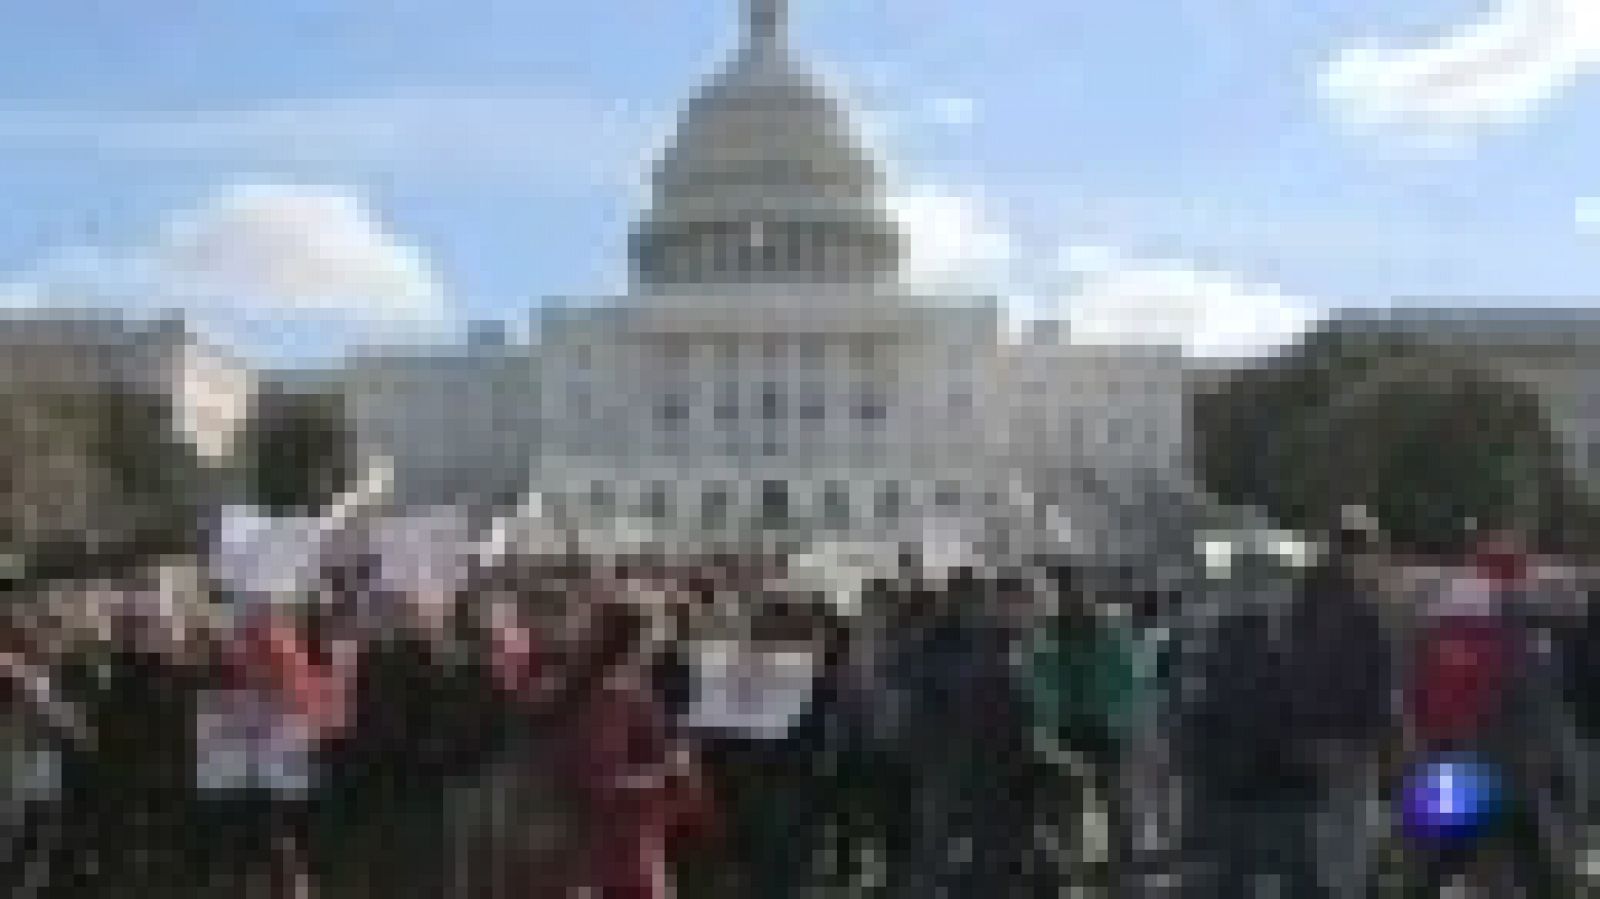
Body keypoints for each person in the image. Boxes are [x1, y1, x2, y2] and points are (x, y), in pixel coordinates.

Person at [1283, 518, 1394, 899]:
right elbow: (1377, 678)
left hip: (1308, 736)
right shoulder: (1362, 609)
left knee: (1322, 827)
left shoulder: (1302, 604)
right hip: (1351, 737)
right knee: (1351, 831)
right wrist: (1384, 732)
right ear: (1357, 552)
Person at [1180, 600, 1322, 898]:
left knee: (1227, 875)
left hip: (1223, 794)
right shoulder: (1282, 671)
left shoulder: (1207, 674)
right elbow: (1298, 730)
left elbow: (1192, 737)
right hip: (1277, 791)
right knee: (1293, 870)